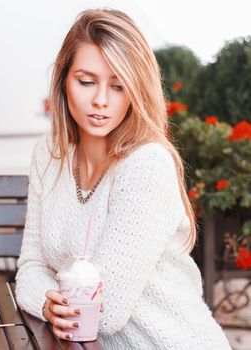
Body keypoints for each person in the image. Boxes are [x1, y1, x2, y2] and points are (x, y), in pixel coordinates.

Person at [15, 8, 232, 349]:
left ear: (135, 89)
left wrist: (56, 299)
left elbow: (104, 313)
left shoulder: (146, 165)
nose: (100, 100)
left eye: (118, 86)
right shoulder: (49, 154)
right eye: (86, 81)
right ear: (63, 79)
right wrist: (47, 302)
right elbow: (29, 267)